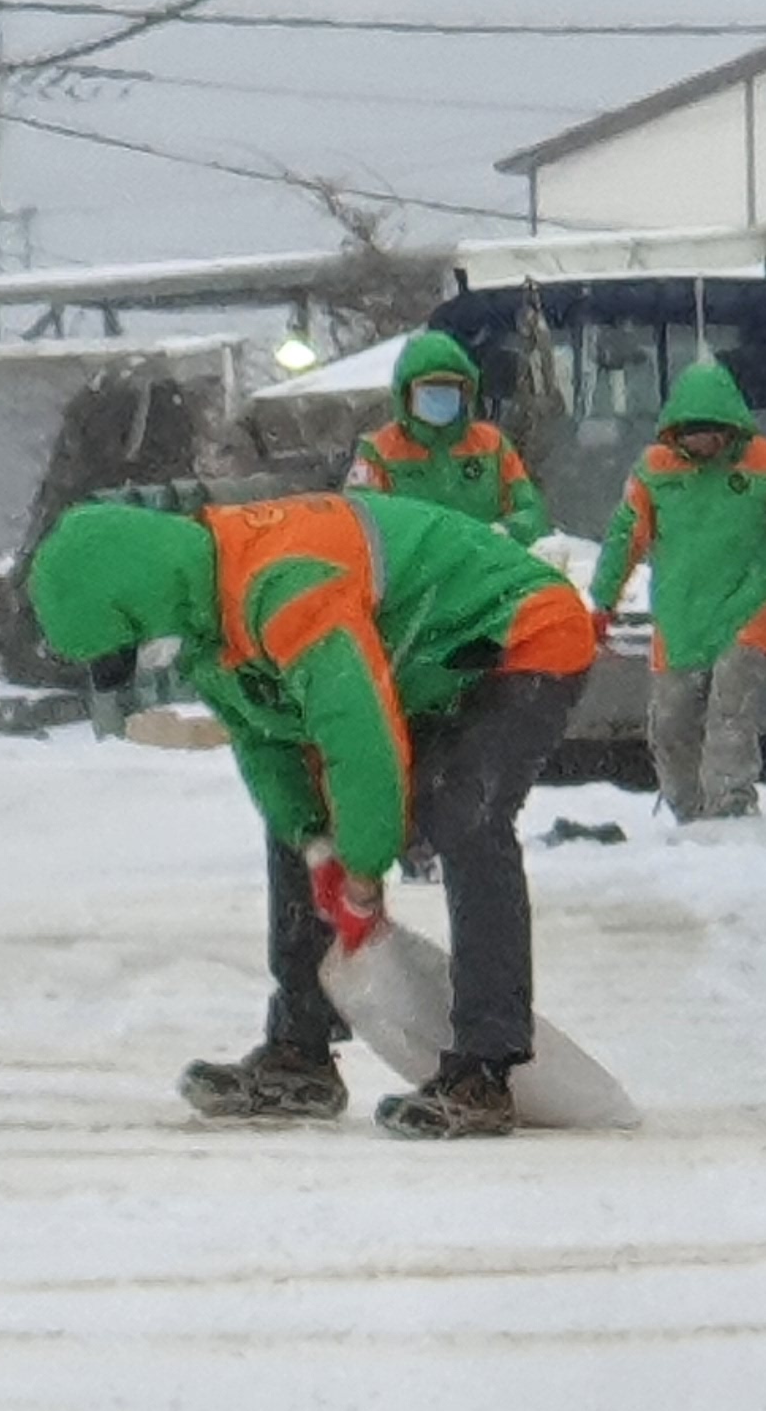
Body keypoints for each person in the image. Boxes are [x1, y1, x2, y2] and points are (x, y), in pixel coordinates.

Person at [30, 488, 599, 1140]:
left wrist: (360, 870)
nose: (143, 661)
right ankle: (300, 1052)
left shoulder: (286, 587)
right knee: (295, 835)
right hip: (426, 658)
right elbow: (268, 739)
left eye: (130, 644)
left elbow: (358, 735)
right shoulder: (206, 623)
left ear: (141, 599)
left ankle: (485, 1067)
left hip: (517, 632)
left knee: (464, 816)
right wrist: (317, 844)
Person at [587, 354, 766, 824]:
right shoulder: (653, 471)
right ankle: (689, 813)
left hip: (745, 613)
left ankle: (730, 811)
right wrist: (602, 603)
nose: (702, 440)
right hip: (680, 620)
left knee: (730, 716)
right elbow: (624, 539)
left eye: (710, 429)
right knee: (670, 725)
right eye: (692, 430)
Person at [350, 330, 549, 544]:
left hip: (483, 568)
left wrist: (505, 532)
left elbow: (529, 510)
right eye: (429, 388)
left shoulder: (492, 444)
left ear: (466, 393)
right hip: (412, 573)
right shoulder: (379, 450)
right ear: (406, 393)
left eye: (449, 387)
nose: (440, 395)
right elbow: (360, 523)